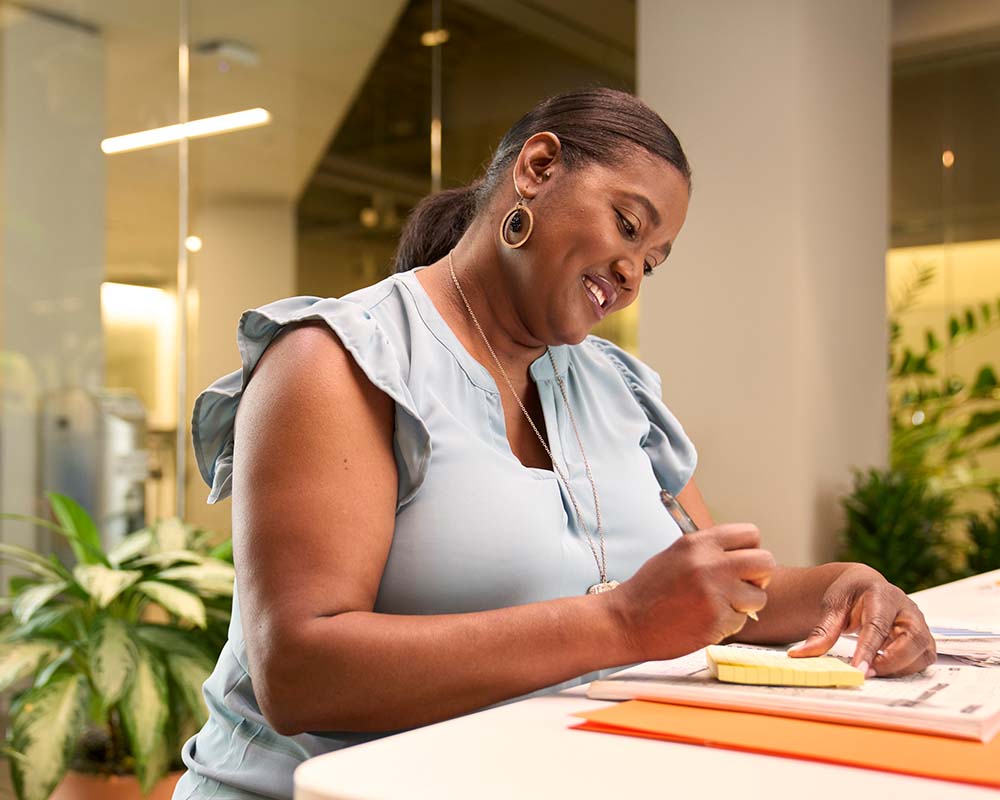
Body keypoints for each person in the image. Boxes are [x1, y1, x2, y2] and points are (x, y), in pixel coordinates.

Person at [173, 88, 935, 800]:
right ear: (537, 170)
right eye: (629, 226)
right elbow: (299, 674)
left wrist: (841, 588)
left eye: (654, 260)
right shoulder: (337, 360)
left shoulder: (614, 387)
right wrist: (621, 624)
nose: (633, 273)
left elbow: (707, 591)